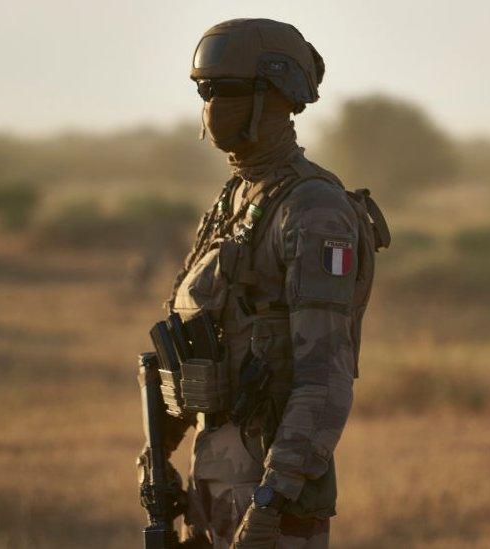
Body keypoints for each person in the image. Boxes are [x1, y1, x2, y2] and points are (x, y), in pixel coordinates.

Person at [137, 18, 389, 548]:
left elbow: (324, 379)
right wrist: (158, 452)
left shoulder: (313, 209)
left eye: (226, 91)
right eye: (204, 91)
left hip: (269, 497)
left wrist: (271, 503)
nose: (210, 105)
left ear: (276, 96)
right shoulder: (235, 198)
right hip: (214, 481)